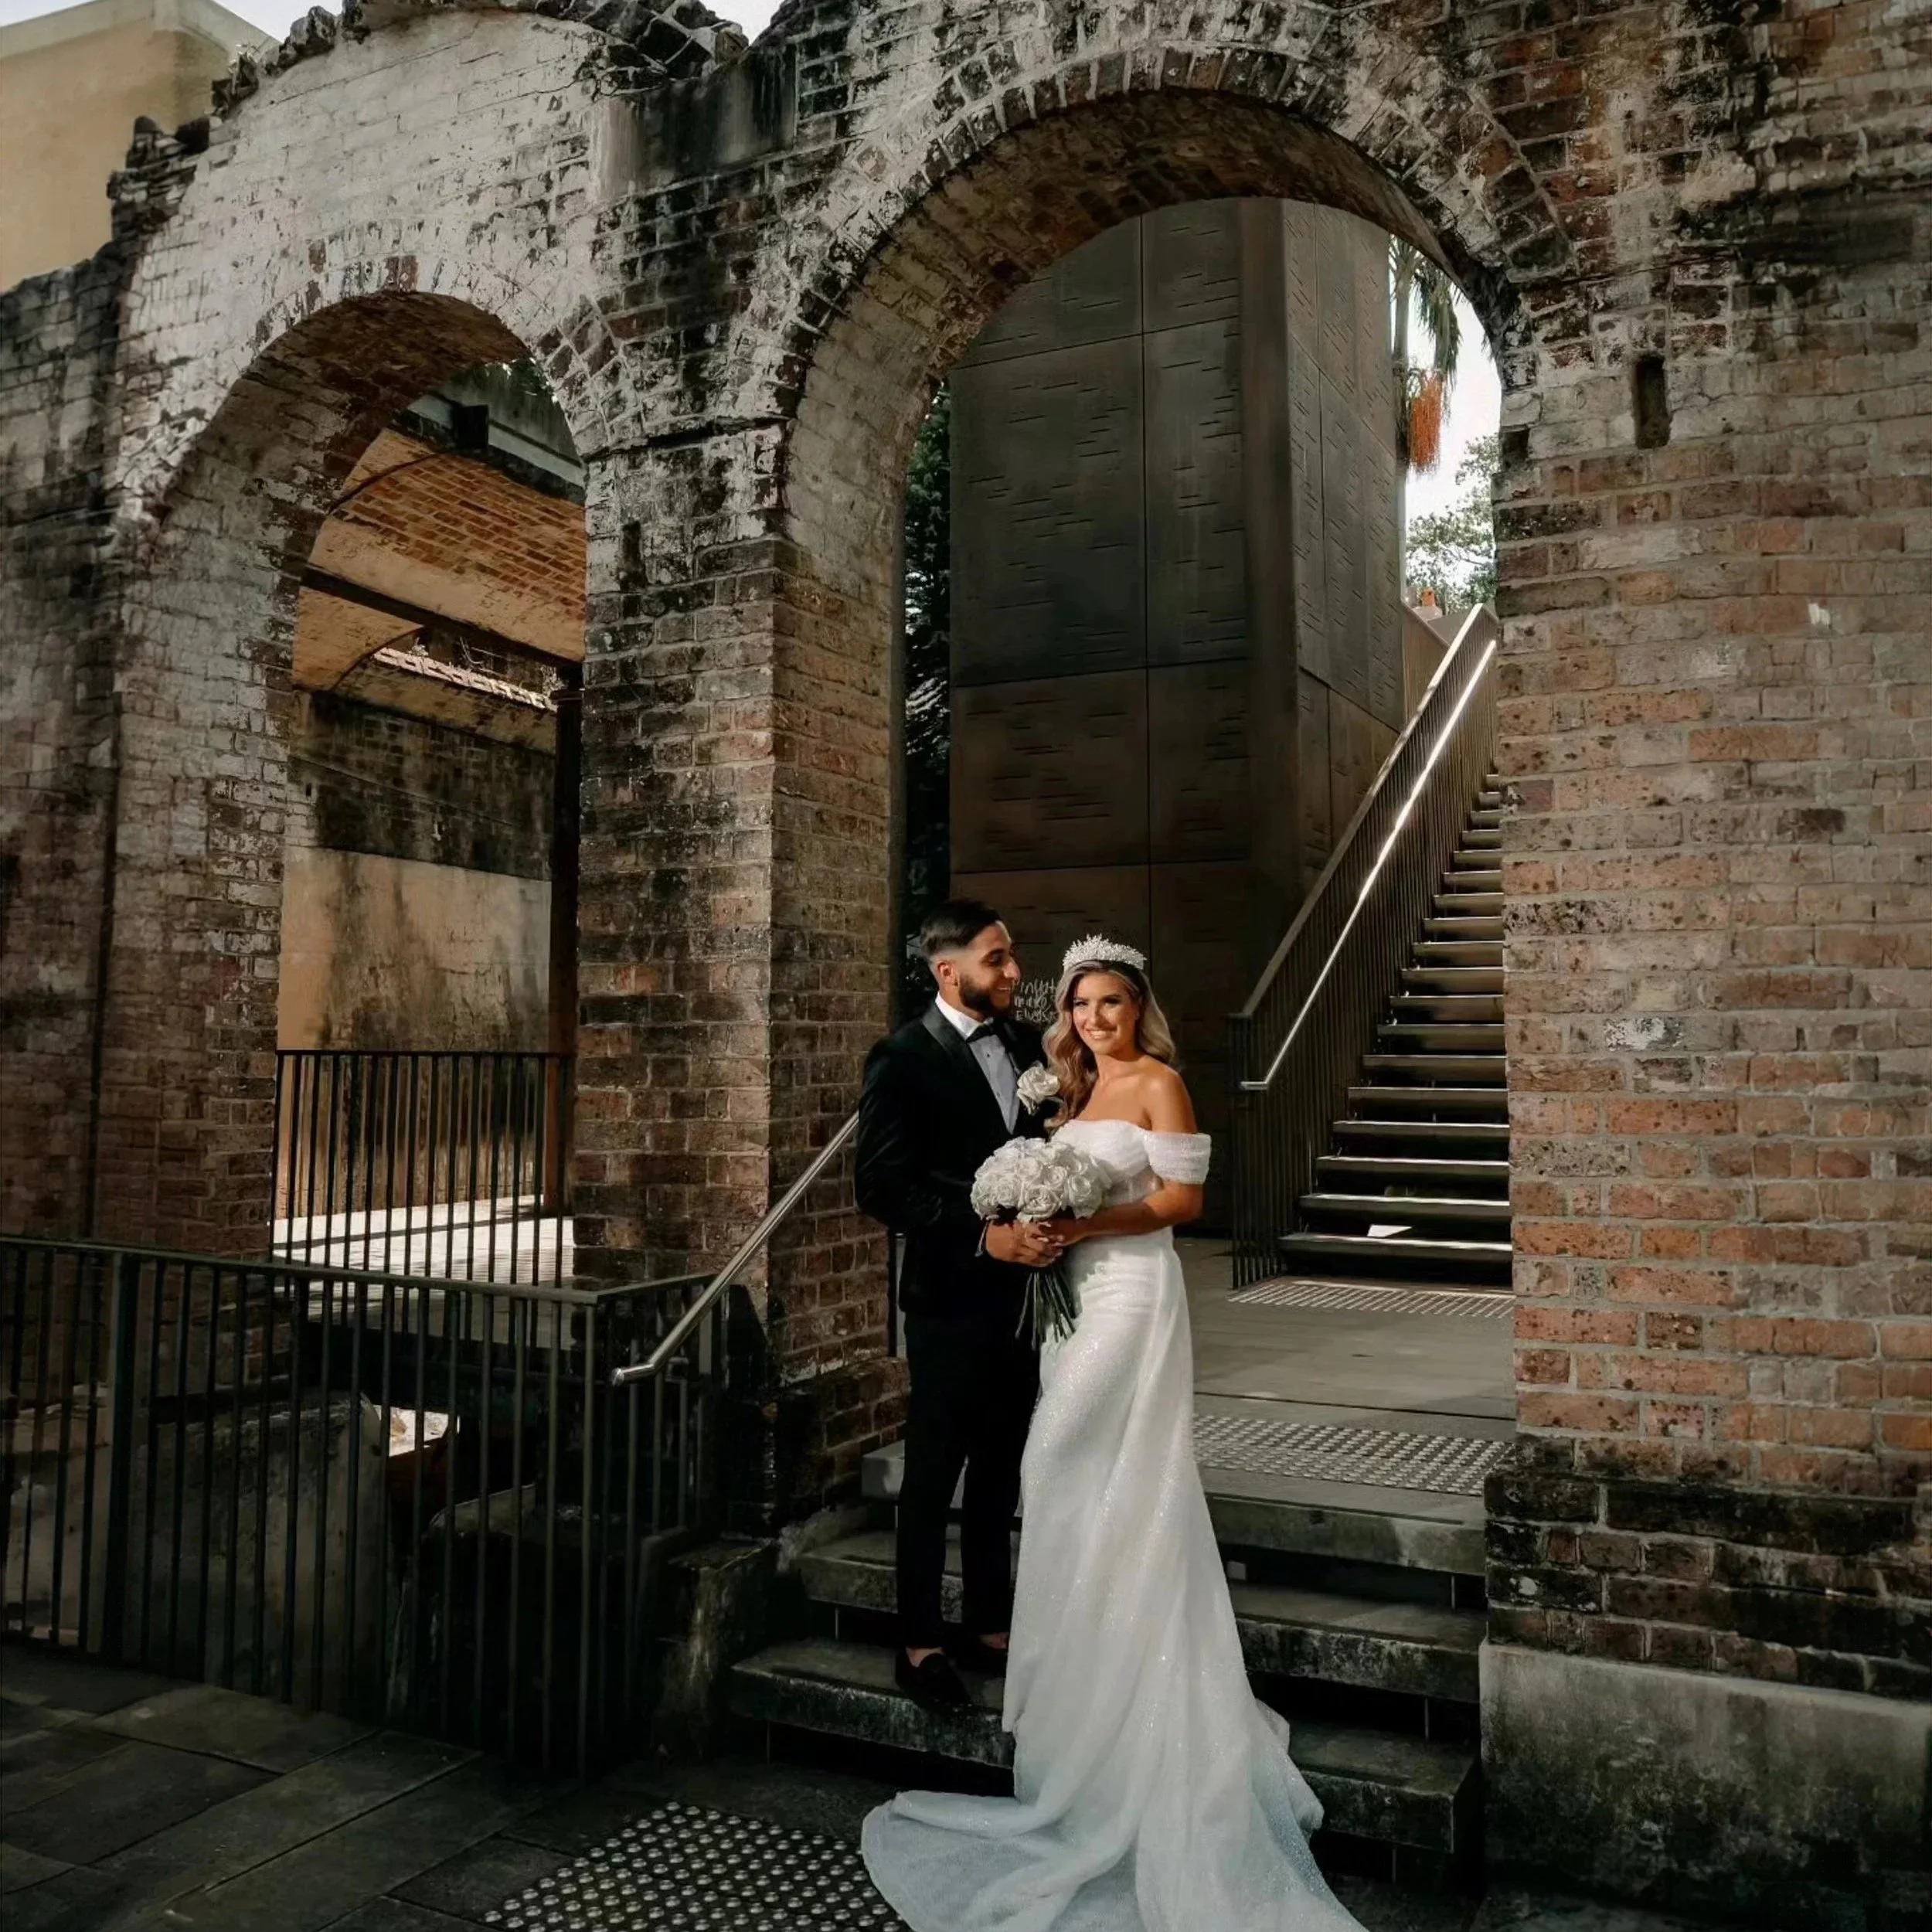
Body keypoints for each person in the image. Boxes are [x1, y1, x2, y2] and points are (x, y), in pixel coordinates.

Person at [862, 937, 1367, 1932]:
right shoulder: (1071, 1092)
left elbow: (1182, 1202)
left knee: (1058, 1462)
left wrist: (1080, 1225)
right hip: (1070, 1302)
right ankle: (1085, 1683)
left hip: (1131, 1298)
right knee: (1073, 1482)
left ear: (1140, 1004)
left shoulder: (1159, 1084)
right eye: (1083, 1003)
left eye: (1112, 1003)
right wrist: (1027, 1213)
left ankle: (1128, 1698)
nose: (1096, 1018)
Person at [855, 900, 1060, 1713]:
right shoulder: (902, 1057)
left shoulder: (1021, 1044)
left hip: (1025, 1299)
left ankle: (986, 1620)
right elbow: (882, 1186)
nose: (1013, 972)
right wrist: (986, 1238)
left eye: (1011, 957)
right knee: (935, 1469)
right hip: (946, 1298)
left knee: (1002, 1462)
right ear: (949, 970)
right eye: (997, 958)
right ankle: (917, 1639)